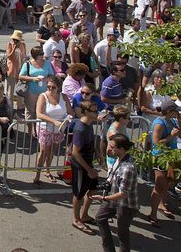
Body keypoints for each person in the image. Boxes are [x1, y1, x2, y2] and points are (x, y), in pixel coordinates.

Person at [90, 134, 139, 252]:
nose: (109, 149)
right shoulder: (118, 159)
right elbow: (111, 178)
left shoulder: (128, 168)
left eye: (112, 147)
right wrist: (100, 186)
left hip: (125, 204)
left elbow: (123, 194)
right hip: (113, 198)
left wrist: (103, 198)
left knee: (122, 232)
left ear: (121, 149)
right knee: (100, 218)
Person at [148, 101, 181, 227]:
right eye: (176, 111)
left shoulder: (173, 121)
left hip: (172, 156)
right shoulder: (159, 123)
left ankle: (162, 205)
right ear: (169, 111)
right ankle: (152, 214)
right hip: (160, 157)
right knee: (159, 186)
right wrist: (170, 136)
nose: (178, 113)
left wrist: (180, 122)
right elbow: (156, 142)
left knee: (166, 184)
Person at [34, 75, 72, 186]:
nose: (50, 89)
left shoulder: (64, 97)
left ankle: (47, 170)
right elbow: (39, 114)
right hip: (45, 128)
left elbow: (70, 112)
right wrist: (54, 121)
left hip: (59, 129)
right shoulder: (43, 96)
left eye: (53, 87)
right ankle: (37, 176)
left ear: (58, 87)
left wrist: (68, 118)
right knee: (43, 152)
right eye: (48, 87)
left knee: (52, 151)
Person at [70, 100, 100, 235]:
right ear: (86, 112)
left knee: (93, 189)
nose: (97, 112)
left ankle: (85, 215)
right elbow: (75, 152)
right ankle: (76, 219)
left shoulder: (89, 124)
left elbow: (91, 141)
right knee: (79, 193)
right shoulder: (80, 128)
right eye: (94, 111)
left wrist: (98, 153)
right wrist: (89, 170)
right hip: (81, 166)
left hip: (89, 163)